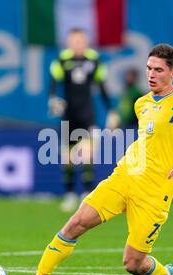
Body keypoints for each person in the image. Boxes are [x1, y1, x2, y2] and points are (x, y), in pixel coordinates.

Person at [8, 44, 173, 275]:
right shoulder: (142, 103)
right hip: (124, 177)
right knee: (76, 222)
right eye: (148, 68)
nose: (151, 74)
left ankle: (163, 273)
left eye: (158, 70)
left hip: (154, 193)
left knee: (132, 263)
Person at [48, 28, 119, 212]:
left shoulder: (94, 60)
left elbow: (102, 86)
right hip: (69, 115)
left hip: (88, 114)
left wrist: (111, 110)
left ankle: (87, 194)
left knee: (88, 154)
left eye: (80, 40)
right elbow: (54, 83)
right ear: (69, 43)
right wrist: (53, 99)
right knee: (68, 158)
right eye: (74, 40)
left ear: (86, 42)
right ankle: (70, 194)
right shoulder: (62, 60)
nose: (77, 43)